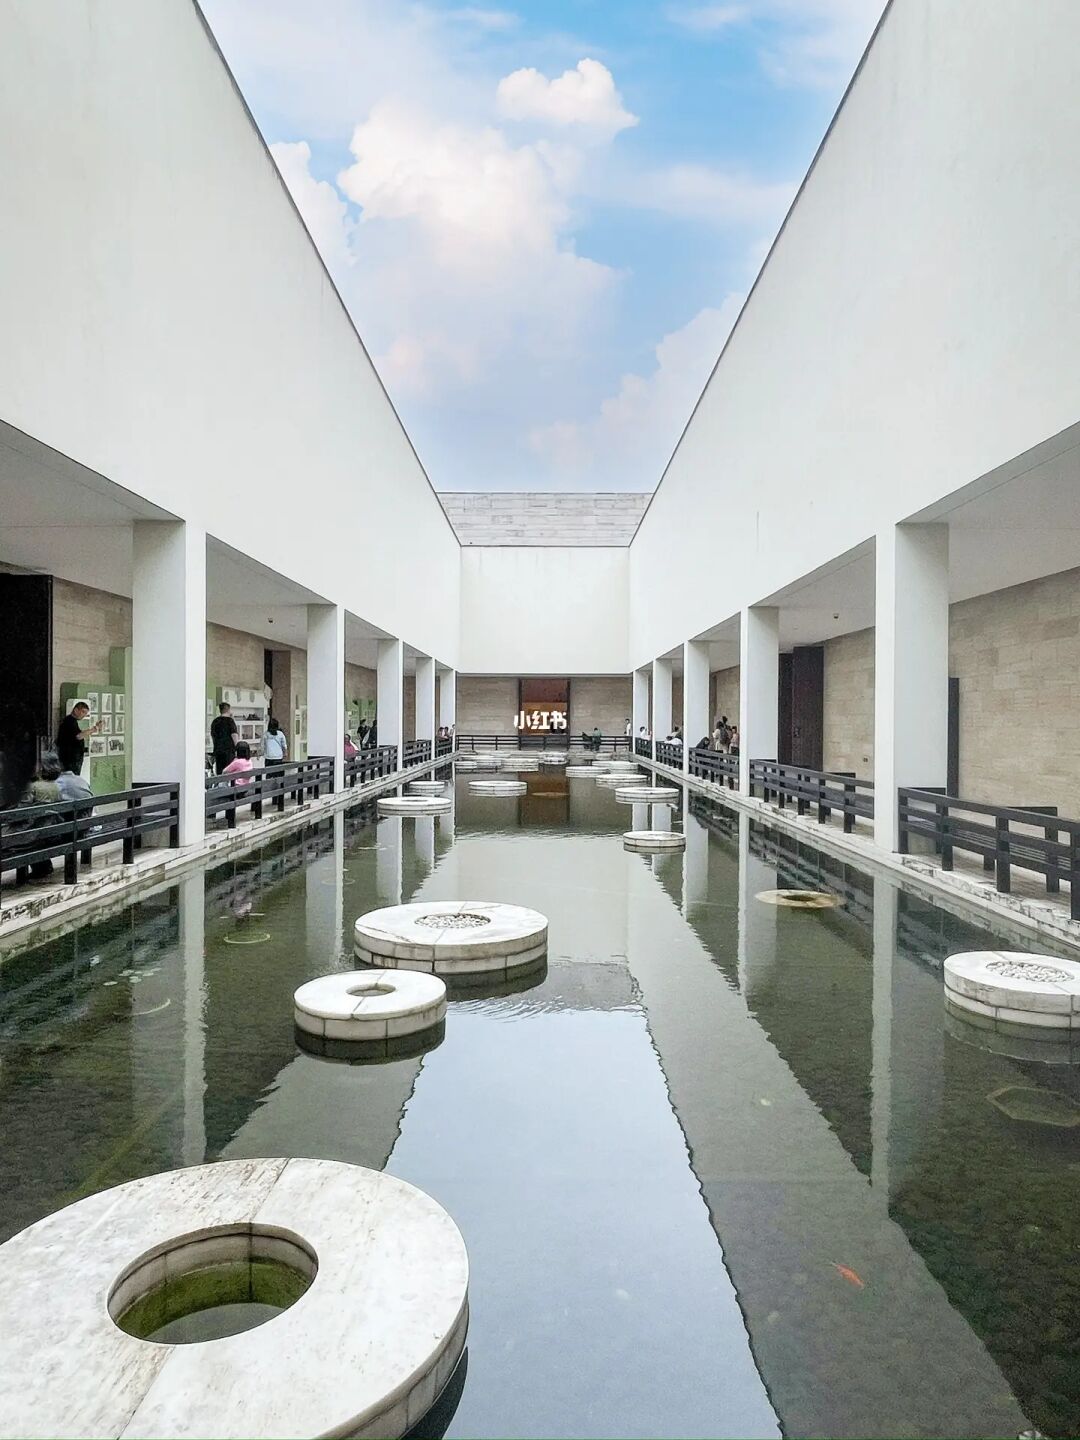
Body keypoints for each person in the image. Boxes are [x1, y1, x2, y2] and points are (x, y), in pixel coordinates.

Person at [19, 753, 63, 879]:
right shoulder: (55, 786)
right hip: (52, 830)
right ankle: (43, 866)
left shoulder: (33, 787)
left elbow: (22, 811)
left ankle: (41, 868)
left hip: (37, 833)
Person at [56, 701, 97, 776]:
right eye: (83, 712)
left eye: (85, 713)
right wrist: (94, 729)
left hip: (72, 760)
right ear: (76, 710)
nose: (84, 715)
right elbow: (78, 736)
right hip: (69, 760)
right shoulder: (69, 721)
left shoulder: (72, 722)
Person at [210, 702, 238, 775]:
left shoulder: (215, 721)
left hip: (218, 750)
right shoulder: (230, 721)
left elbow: (213, 736)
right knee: (230, 772)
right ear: (228, 710)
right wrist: (237, 748)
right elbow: (234, 735)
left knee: (220, 772)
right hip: (229, 751)